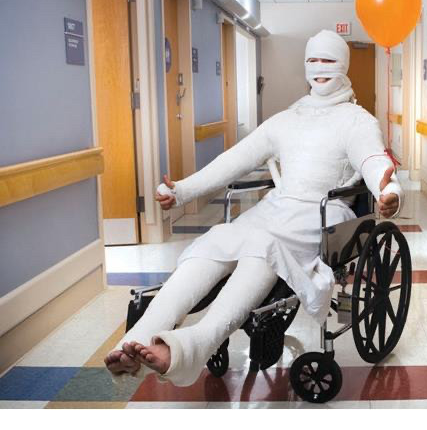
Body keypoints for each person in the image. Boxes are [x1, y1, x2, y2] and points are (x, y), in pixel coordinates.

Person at [104, 29, 403, 387]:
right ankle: (136, 338)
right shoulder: (286, 119)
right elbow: (234, 160)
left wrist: (389, 189)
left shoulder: (357, 121)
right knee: (218, 240)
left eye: (328, 60)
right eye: (312, 60)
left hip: (322, 214)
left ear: (344, 65)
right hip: (277, 206)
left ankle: (194, 344)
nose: (319, 68)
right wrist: (181, 190)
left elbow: (373, 160)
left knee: (262, 250)